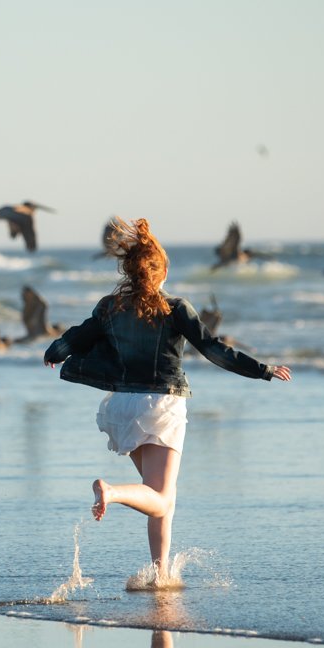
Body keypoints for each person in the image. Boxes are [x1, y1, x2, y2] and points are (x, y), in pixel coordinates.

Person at [43, 217, 292, 586]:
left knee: (161, 498)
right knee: (159, 496)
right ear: (160, 272)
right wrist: (262, 369)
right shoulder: (174, 308)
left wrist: (56, 350)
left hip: (123, 407)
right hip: (161, 407)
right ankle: (110, 492)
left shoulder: (110, 307)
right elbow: (212, 348)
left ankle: (161, 574)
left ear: (129, 271)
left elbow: (79, 335)